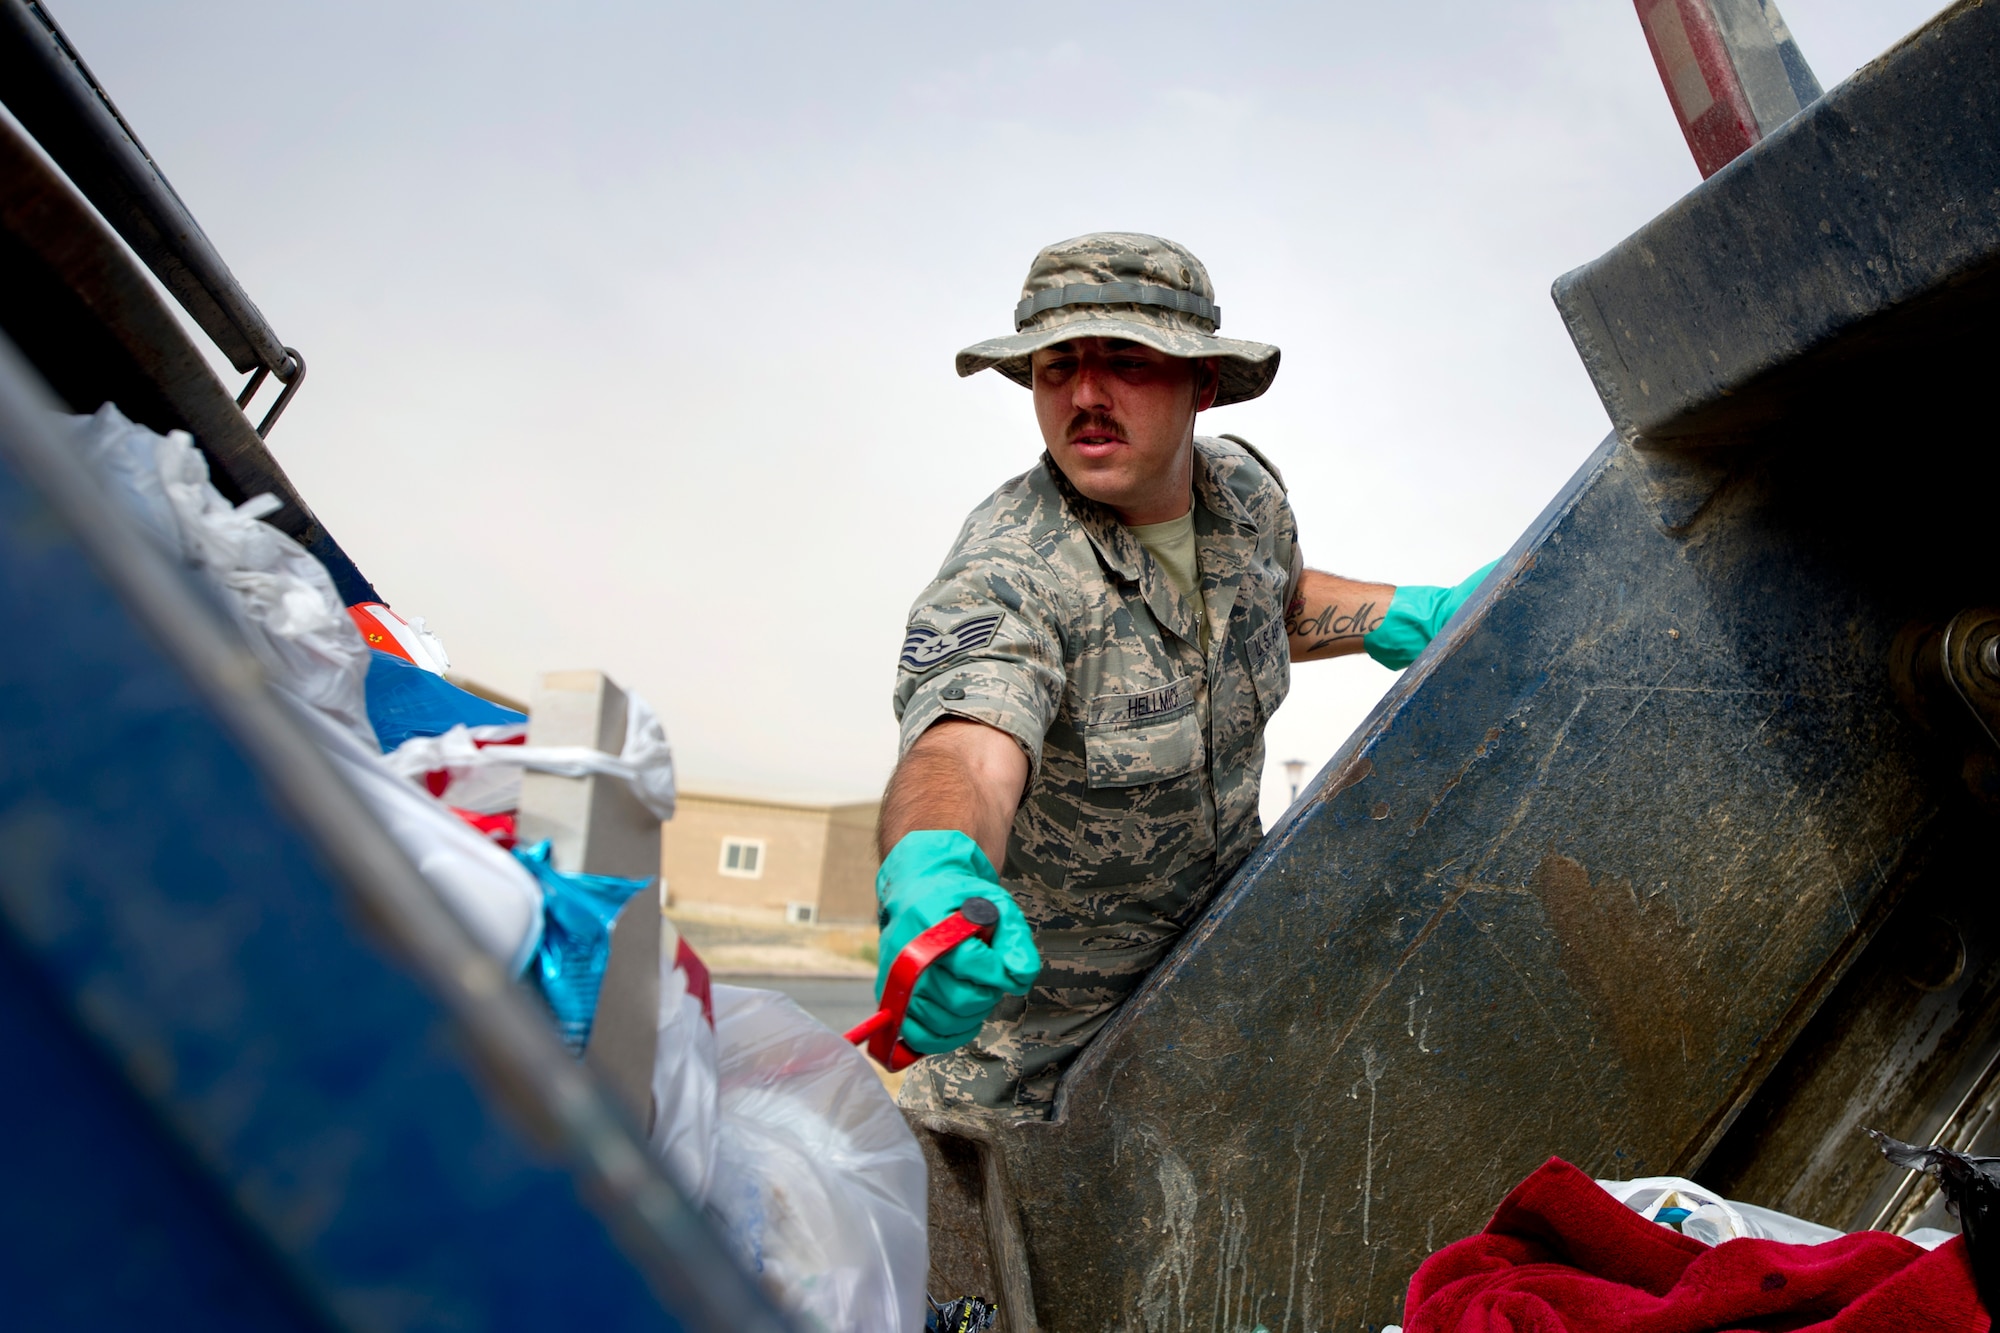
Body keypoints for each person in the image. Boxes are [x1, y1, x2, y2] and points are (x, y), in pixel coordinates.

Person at [878, 233, 1495, 1121]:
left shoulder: (1244, 496)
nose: (1086, 395)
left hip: (1219, 1003)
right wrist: (935, 868)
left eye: (1125, 361)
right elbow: (968, 746)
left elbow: (1261, 605)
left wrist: (1408, 613)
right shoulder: (1012, 568)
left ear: (1201, 383)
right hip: (1039, 1084)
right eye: (1057, 368)